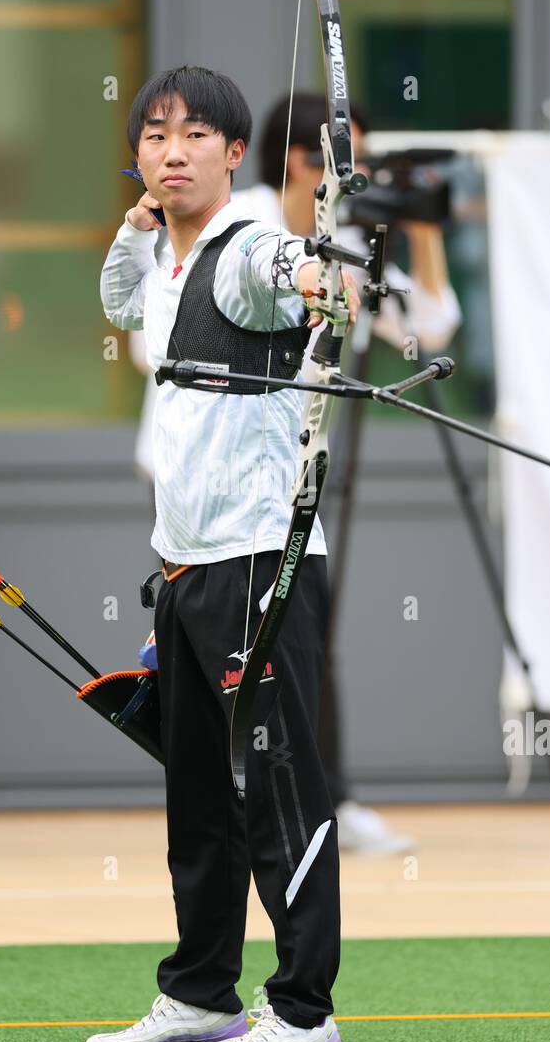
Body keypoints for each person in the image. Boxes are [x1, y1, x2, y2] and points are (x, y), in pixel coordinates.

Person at [87, 65, 357, 1042]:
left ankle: (302, 1015)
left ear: (233, 153)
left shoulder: (246, 247)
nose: (172, 150)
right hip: (188, 566)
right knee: (196, 791)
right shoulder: (160, 257)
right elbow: (118, 297)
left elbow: (298, 271)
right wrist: (136, 223)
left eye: (194, 135)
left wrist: (321, 269)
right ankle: (201, 994)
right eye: (153, 135)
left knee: (276, 787)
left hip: (259, 560)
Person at [130, 91, 462, 853]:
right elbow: (187, 309)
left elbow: (428, 329)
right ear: (305, 159)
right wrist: (313, 278)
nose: (359, 173)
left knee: (296, 645)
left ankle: (320, 805)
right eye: (346, 159)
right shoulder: (234, 216)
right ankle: (237, 815)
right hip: (203, 483)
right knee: (220, 666)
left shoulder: (340, 231)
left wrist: (416, 228)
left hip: (282, 483)